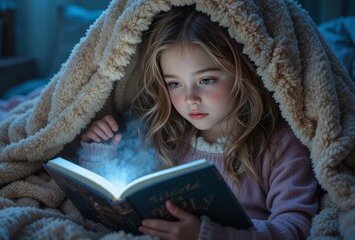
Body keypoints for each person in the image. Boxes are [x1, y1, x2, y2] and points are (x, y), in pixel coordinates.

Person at [79, 5, 319, 240]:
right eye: (175, 84)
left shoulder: (280, 146)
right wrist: (99, 150)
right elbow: (118, 203)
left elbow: (295, 227)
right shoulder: (165, 136)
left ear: (244, 73)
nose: (190, 98)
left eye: (206, 80)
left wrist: (210, 235)